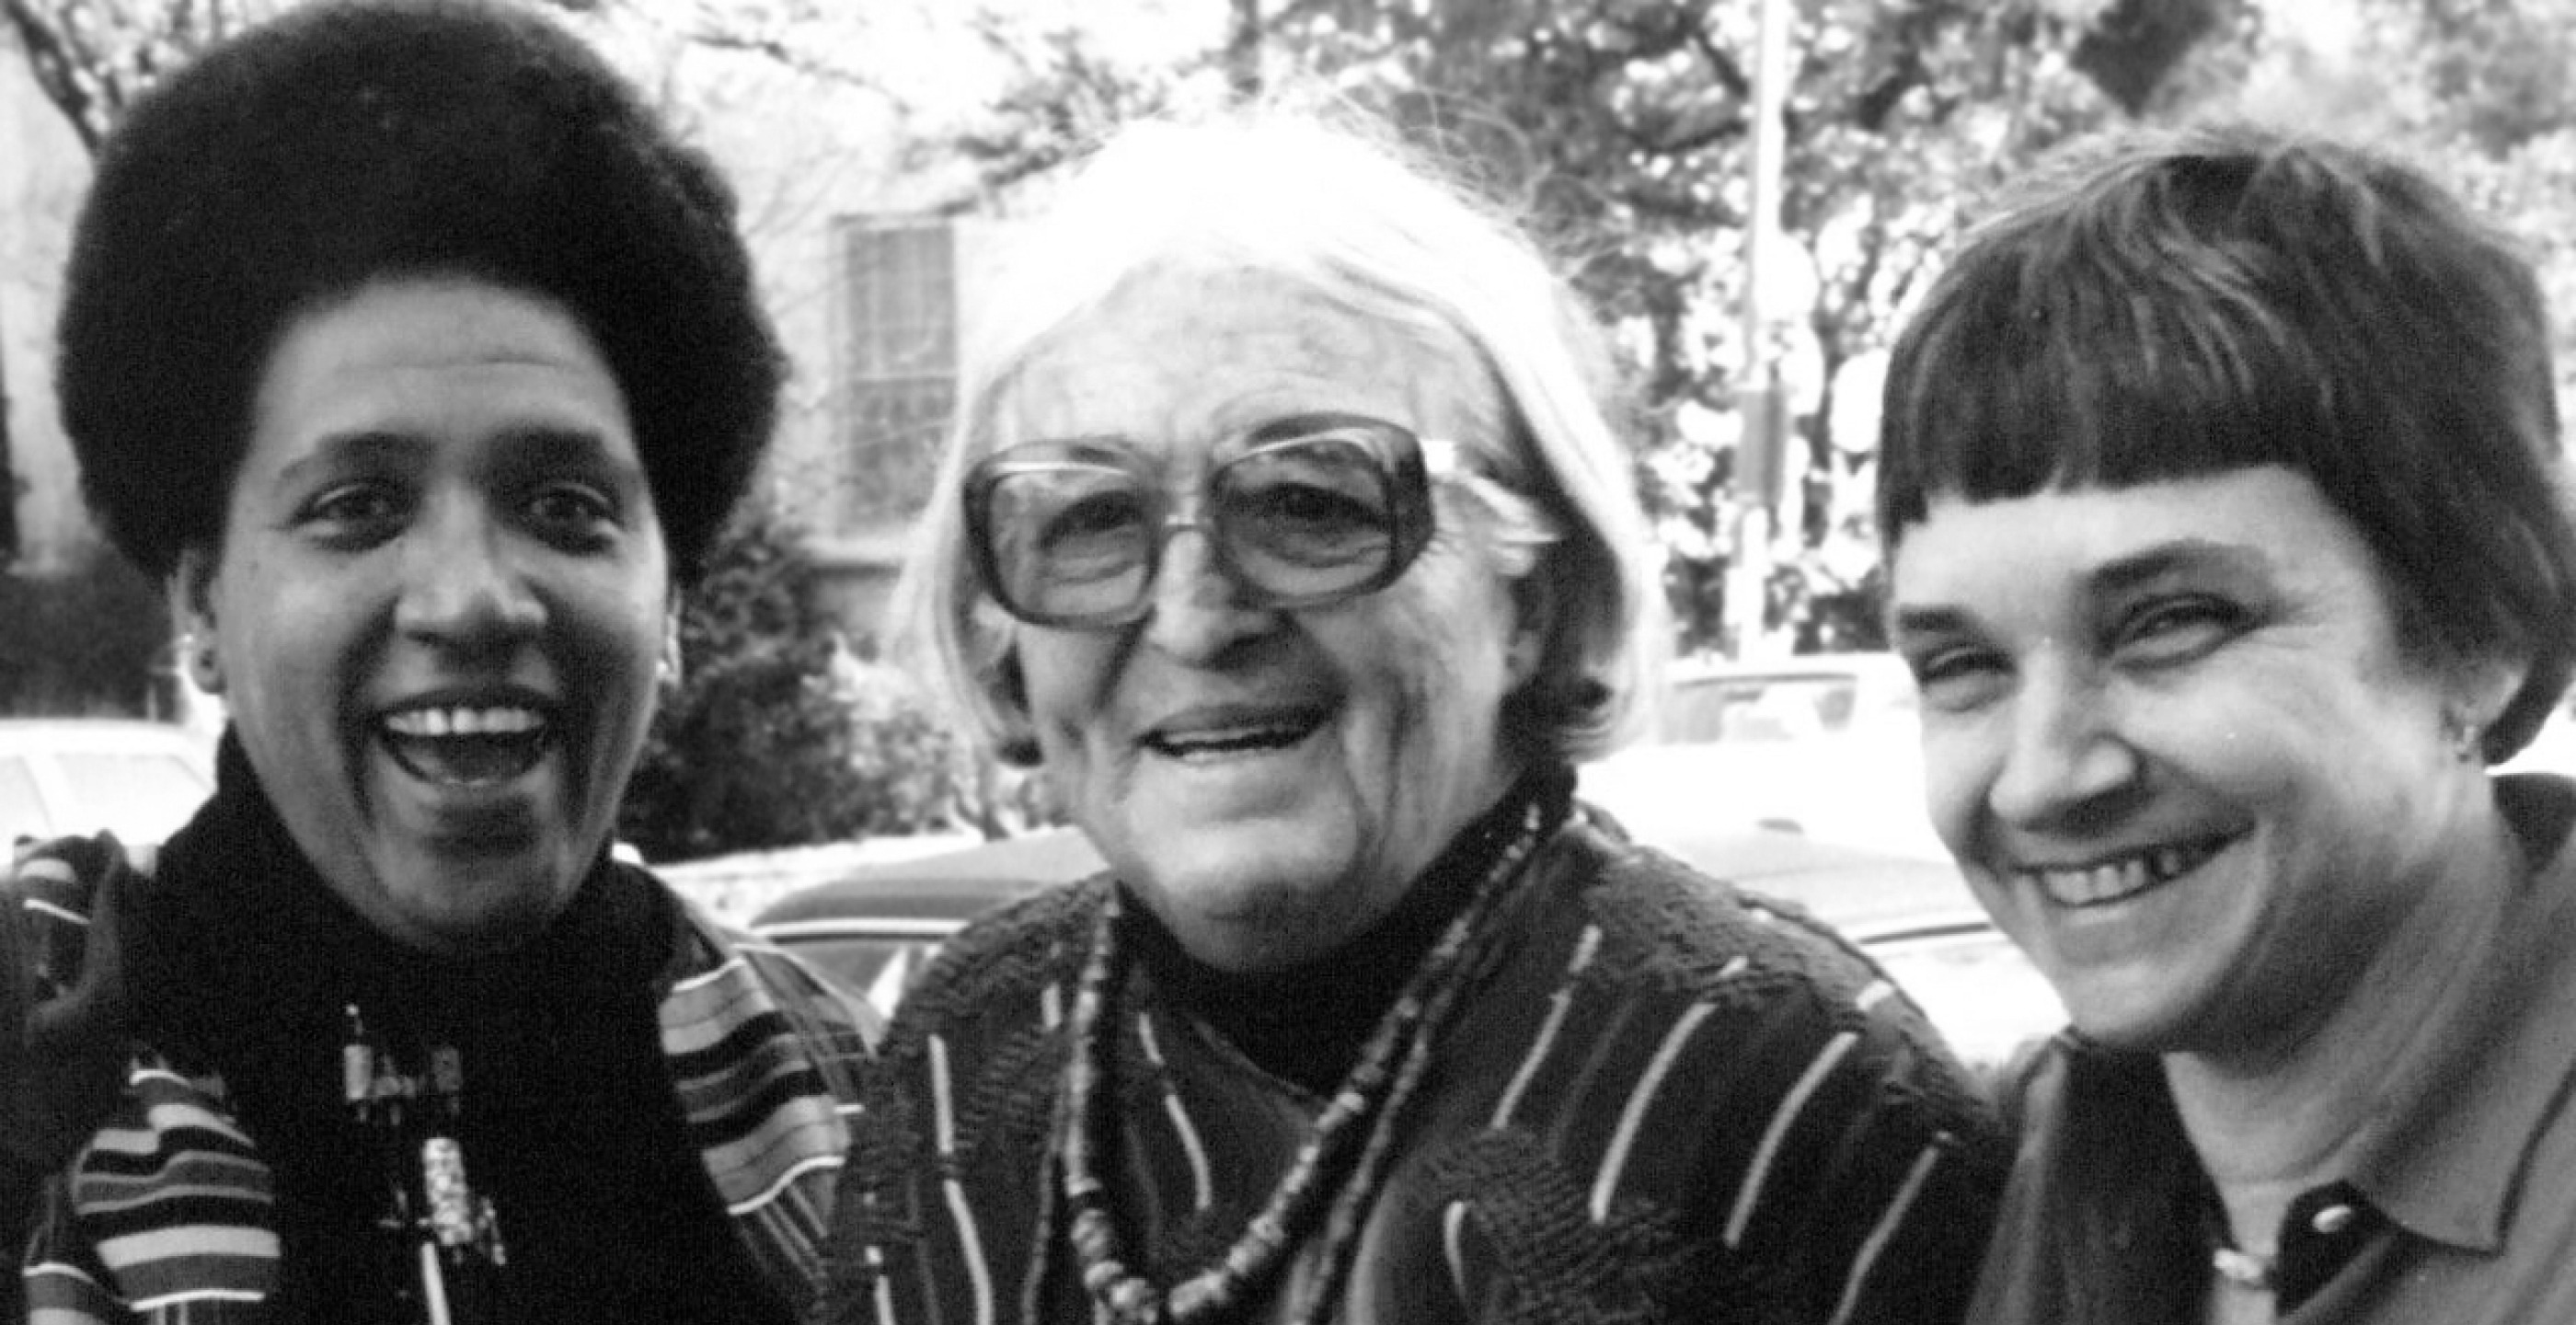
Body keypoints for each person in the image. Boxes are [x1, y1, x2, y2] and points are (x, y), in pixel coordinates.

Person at [821, 107, 2006, 1325]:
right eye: (1091, 519)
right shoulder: (967, 1045)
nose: (1191, 619)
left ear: (1532, 597)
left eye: (1307, 502)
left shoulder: (1798, 1089)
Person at [0, 2, 877, 1320]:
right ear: (200, 603)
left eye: (564, 505)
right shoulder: (37, 1060)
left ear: (673, 601)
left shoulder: (863, 1105)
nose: (471, 600)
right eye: (357, 505)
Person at [1878, 121, 2576, 1323]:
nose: (2041, 778)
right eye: (1964, 666)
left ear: (2483, 633)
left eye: (2170, 623)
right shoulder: (1990, 1167)